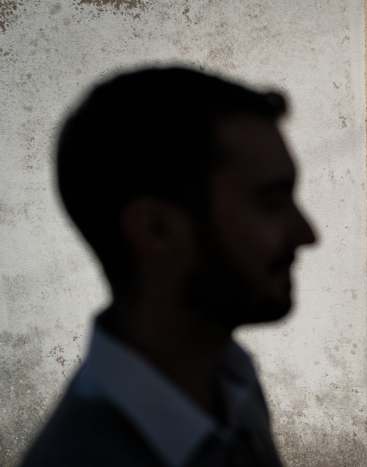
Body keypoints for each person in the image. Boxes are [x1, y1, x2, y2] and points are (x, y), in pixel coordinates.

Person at [21, 67, 316, 466]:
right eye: (272, 203)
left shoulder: (231, 376)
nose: (307, 234)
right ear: (156, 230)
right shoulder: (81, 455)